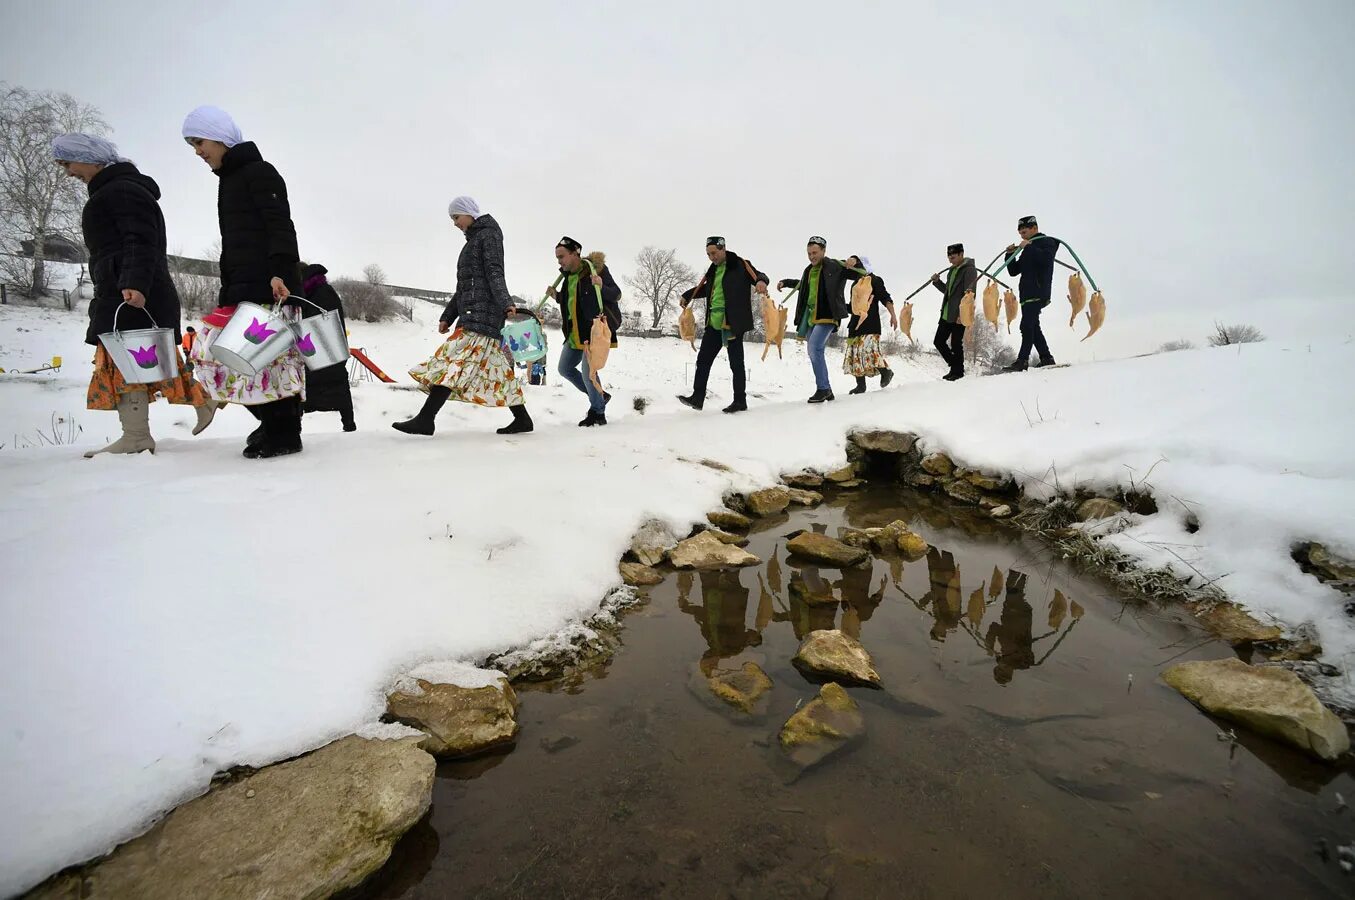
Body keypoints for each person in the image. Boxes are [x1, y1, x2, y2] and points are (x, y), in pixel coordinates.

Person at [51, 133, 217, 458]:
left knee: (125, 362)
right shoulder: (116, 189)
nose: (68, 171)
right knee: (139, 362)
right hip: (123, 287)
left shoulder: (121, 190)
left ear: (91, 158)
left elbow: (139, 239)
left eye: (68, 162)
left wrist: (134, 282)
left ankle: (137, 436)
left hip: (131, 290)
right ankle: (201, 401)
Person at [181, 106, 307, 459]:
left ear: (220, 136)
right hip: (242, 285)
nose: (197, 150)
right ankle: (275, 425)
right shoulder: (231, 179)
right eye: (192, 144)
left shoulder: (258, 172)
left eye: (200, 141)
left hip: (269, 286)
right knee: (229, 358)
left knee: (262, 360)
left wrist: (280, 270)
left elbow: (280, 225)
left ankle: (283, 432)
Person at [394, 196, 533, 436]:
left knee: (452, 363)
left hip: (483, 316)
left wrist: (505, 302)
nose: (455, 223)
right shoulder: (474, 240)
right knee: (496, 370)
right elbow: (465, 286)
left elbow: (494, 272)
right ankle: (522, 419)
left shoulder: (488, 235)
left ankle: (426, 419)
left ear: (469, 213)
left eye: (456, 217)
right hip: (474, 314)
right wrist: (448, 315)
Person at [677, 236, 769, 414]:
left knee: (736, 363)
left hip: (733, 322)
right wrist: (688, 294)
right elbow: (706, 289)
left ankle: (740, 401)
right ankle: (697, 397)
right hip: (713, 322)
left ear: (723, 248)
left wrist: (761, 282)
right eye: (708, 254)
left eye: (714, 253)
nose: (712, 257)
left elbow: (759, 275)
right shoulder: (713, 271)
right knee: (703, 360)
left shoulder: (740, 264)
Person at [777, 236, 865, 403]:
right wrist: (785, 282)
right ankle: (827, 390)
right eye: (809, 253)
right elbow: (802, 285)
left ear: (824, 251)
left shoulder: (834, 266)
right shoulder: (808, 270)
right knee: (815, 351)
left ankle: (823, 389)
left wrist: (855, 260)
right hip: (811, 316)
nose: (812, 256)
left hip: (827, 314)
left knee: (814, 347)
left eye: (815, 253)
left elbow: (860, 273)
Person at [548, 236, 620, 426]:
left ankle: (598, 412)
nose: (559, 261)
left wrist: (602, 286)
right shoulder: (568, 277)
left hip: (592, 333)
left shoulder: (595, 270)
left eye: (562, 257)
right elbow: (573, 301)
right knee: (564, 369)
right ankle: (600, 396)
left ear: (575, 254)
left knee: (589, 375)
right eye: (557, 258)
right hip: (574, 333)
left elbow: (616, 294)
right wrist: (557, 296)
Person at [299, 263, 356, 432]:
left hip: (326, 351)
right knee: (335, 386)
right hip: (325, 352)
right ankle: (348, 424)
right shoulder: (316, 291)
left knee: (328, 385)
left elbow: (323, 321)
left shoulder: (322, 292)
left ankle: (349, 424)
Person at [1002, 215, 1060, 372]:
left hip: (1038, 290)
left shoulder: (1047, 242)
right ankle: (1046, 358)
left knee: (1026, 325)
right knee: (1033, 326)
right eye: (1020, 232)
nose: (1022, 234)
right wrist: (1009, 255)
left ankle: (1022, 360)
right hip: (1026, 292)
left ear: (1035, 228)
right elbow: (1014, 271)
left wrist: (1028, 247)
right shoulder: (1027, 246)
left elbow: (1046, 260)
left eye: (1025, 231)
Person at [842, 254, 896, 393]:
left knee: (868, 351)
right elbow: (854, 307)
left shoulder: (874, 280)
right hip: (855, 324)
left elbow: (885, 297)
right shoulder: (855, 284)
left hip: (870, 323)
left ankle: (885, 372)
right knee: (855, 354)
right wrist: (839, 306)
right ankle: (861, 385)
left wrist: (893, 315)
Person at [930, 244, 977, 381]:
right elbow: (948, 291)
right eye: (949, 256)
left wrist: (962, 315)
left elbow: (970, 293)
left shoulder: (969, 270)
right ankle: (955, 366)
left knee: (956, 343)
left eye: (954, 256)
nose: (951, 258)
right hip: (946, 312)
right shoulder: (951, 271)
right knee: (938, 341)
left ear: (961, 254)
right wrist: (937, 282)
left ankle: (958, 372)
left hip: (959, 313)